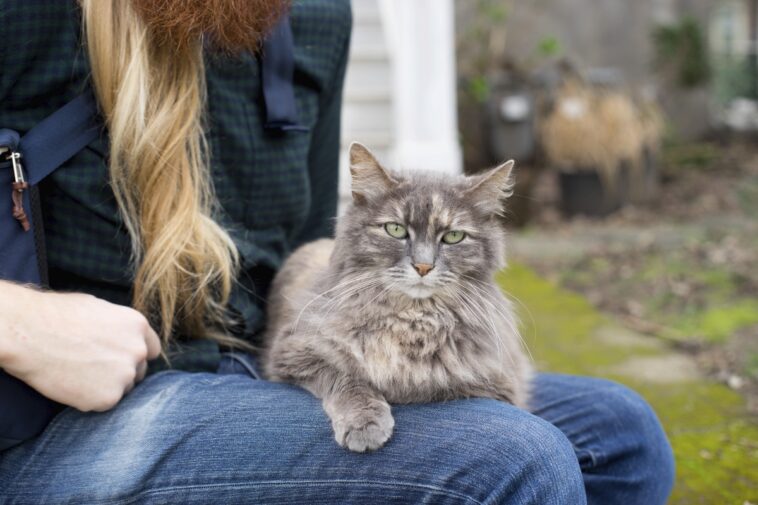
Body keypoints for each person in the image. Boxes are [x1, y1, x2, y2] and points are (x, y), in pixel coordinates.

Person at [0, 1, 675, 503]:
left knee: (623, 434)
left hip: (254, 372)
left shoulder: (313, 16)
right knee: (514, 459)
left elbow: (314, 251)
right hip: (57, 416)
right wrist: (22, 324)